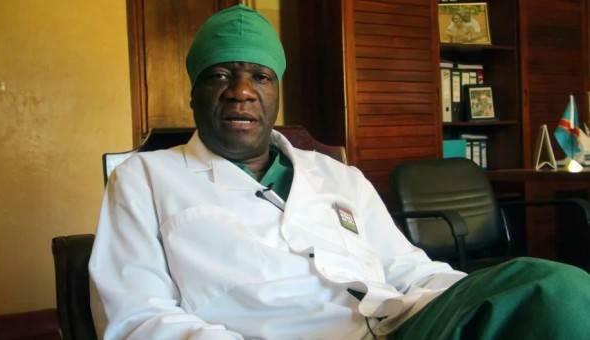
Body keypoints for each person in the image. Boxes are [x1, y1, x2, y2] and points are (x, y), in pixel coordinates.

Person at [89, 4, 590, 339]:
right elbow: (139, 317)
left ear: (275, 93)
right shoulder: (145, 179)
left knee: (558, 290)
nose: (241, 90)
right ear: (194, 93)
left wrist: (473, 302)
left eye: (259, 76)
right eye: (220, 75)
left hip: (401, 326)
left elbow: (408, 270)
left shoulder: (338, 175)